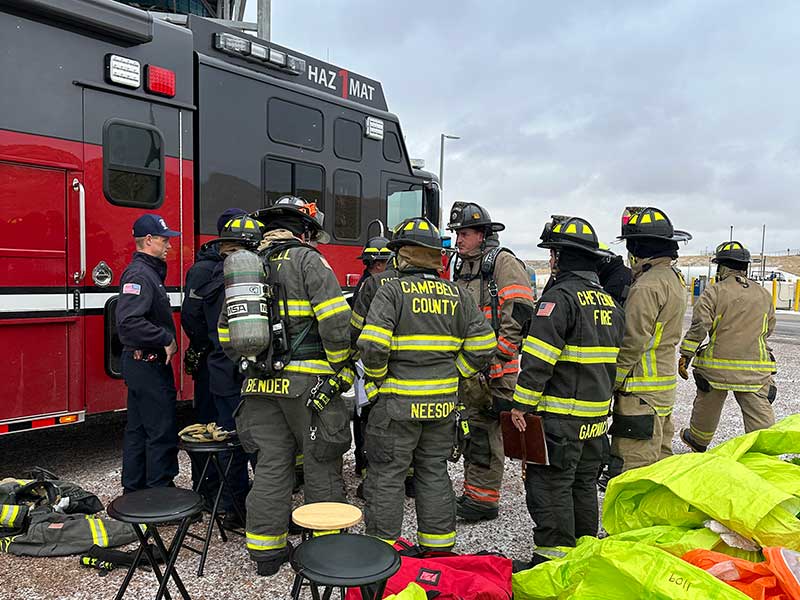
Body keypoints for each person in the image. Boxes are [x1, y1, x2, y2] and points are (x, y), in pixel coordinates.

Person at [218, 196, 352, 576]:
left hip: (258, 386)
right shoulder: (308, 259)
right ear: (305, 231)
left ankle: (266, 553)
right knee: (321, 462)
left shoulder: (247, 267)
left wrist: (252, 364)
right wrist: (339, 366)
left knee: (272, 467)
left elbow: (226, 332)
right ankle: (326, 552)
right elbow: (335, 320)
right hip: (307, 386)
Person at [358, 217, 495, 550]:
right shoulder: (457, 294)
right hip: (442, 407)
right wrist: (455, 372)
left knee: (388, 476)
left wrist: (377, 381)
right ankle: (438, 548)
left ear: (403, 254)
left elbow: (373, 346)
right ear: (436, 257)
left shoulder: (391, 290)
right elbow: (484, 346)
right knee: (433, 472)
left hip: (396, 408)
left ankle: (381, 553)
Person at [509, 216, 624, 568]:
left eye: (553, 255)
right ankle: (585, 557)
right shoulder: (609, 303)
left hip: (561, 421)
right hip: (595, 421)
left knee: (550, 487)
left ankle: (552, 565)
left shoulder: (559, 299)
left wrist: (521, 407)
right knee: (583, 485)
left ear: (559, 257)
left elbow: (539, 361)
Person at [447, 202, 534, 522]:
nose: (458, 240)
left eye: (464, 234)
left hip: (496, 370)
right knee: (472, 428)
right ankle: (475, 492)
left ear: (482, 235)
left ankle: (484, 501)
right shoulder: (464, 266)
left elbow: (521, 309)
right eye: (456, 234)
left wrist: (502, 354)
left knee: (486, 429)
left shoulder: (503, 263)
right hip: (472, 368)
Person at [182, 211, 258, 528]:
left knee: (228, 439)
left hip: (219, 370)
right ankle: (261, 507)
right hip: (250, 371)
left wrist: (209, 346)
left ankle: (229, 506)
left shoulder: (205, 274)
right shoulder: (254, 275)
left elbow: (192, 319)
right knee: (259, 442)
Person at [607, 207, 690, 477]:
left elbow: (633, 339)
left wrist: (612, 380)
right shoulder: (674, 280)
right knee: (661, 465)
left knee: (633, 467)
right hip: (662, 389)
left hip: (640, 391)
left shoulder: (646, 286)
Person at [679, 241, 777, 452]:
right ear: (745, 267)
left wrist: (686, 354)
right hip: (754, 369)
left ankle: (698, 439)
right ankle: (764, 449)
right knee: (758, 408)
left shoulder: (714, 292)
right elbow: (768, 329)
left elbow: (700, 326)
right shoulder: (764, 294)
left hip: (717, 368)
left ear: (721, 267)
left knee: (708, 400)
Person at [116, 213, 181, 493]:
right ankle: (160, 495)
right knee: (160, 432)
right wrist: (164, 338)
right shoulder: (141, 275)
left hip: (141, 365)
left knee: (138, 431)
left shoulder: (148, 272)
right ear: (149, 241)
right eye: (165, 240)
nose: (169, 246)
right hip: (148, 365)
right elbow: (129, 322)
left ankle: (135, 493)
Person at [349, 236, 395, 483]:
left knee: (365, 415)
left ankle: (366, 467)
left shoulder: (369, 283)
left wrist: (351, 356)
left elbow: (356, 326)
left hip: (369, 362)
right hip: (393, 363)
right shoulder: (399, 282)